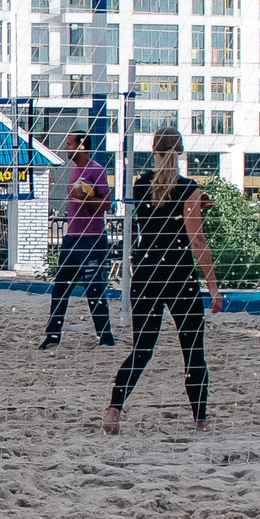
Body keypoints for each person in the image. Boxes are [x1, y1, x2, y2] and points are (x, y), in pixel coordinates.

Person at [105, 128, 223, 435]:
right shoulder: (189, 190)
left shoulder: (140, 185)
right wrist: (213, 286)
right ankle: (200, 420)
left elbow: (158, 210)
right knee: (193, 352)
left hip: (146, 274)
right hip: (179, 275)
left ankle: (114, 409)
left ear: (153, 149)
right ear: (181, 151)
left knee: (142, 348)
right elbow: (197, 240)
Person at [41, 130, 116, 350]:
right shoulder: (74, 169)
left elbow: (106, 204)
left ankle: (106, 337)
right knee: (60, 288)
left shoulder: (96, 170)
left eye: (70, 143)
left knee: (93, 289)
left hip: (92, 239)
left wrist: (85, 198)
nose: (66, 147)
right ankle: (53, 336)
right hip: (72, 238)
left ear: (81, 146)